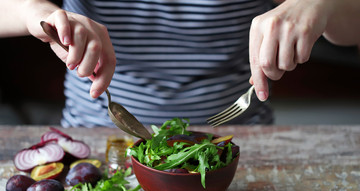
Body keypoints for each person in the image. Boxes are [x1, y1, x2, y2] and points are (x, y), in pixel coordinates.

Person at [0, 0, 359, 127]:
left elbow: (352, 26)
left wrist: (323, 3)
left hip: (237, 141)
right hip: (95, 142)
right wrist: (34, 10)